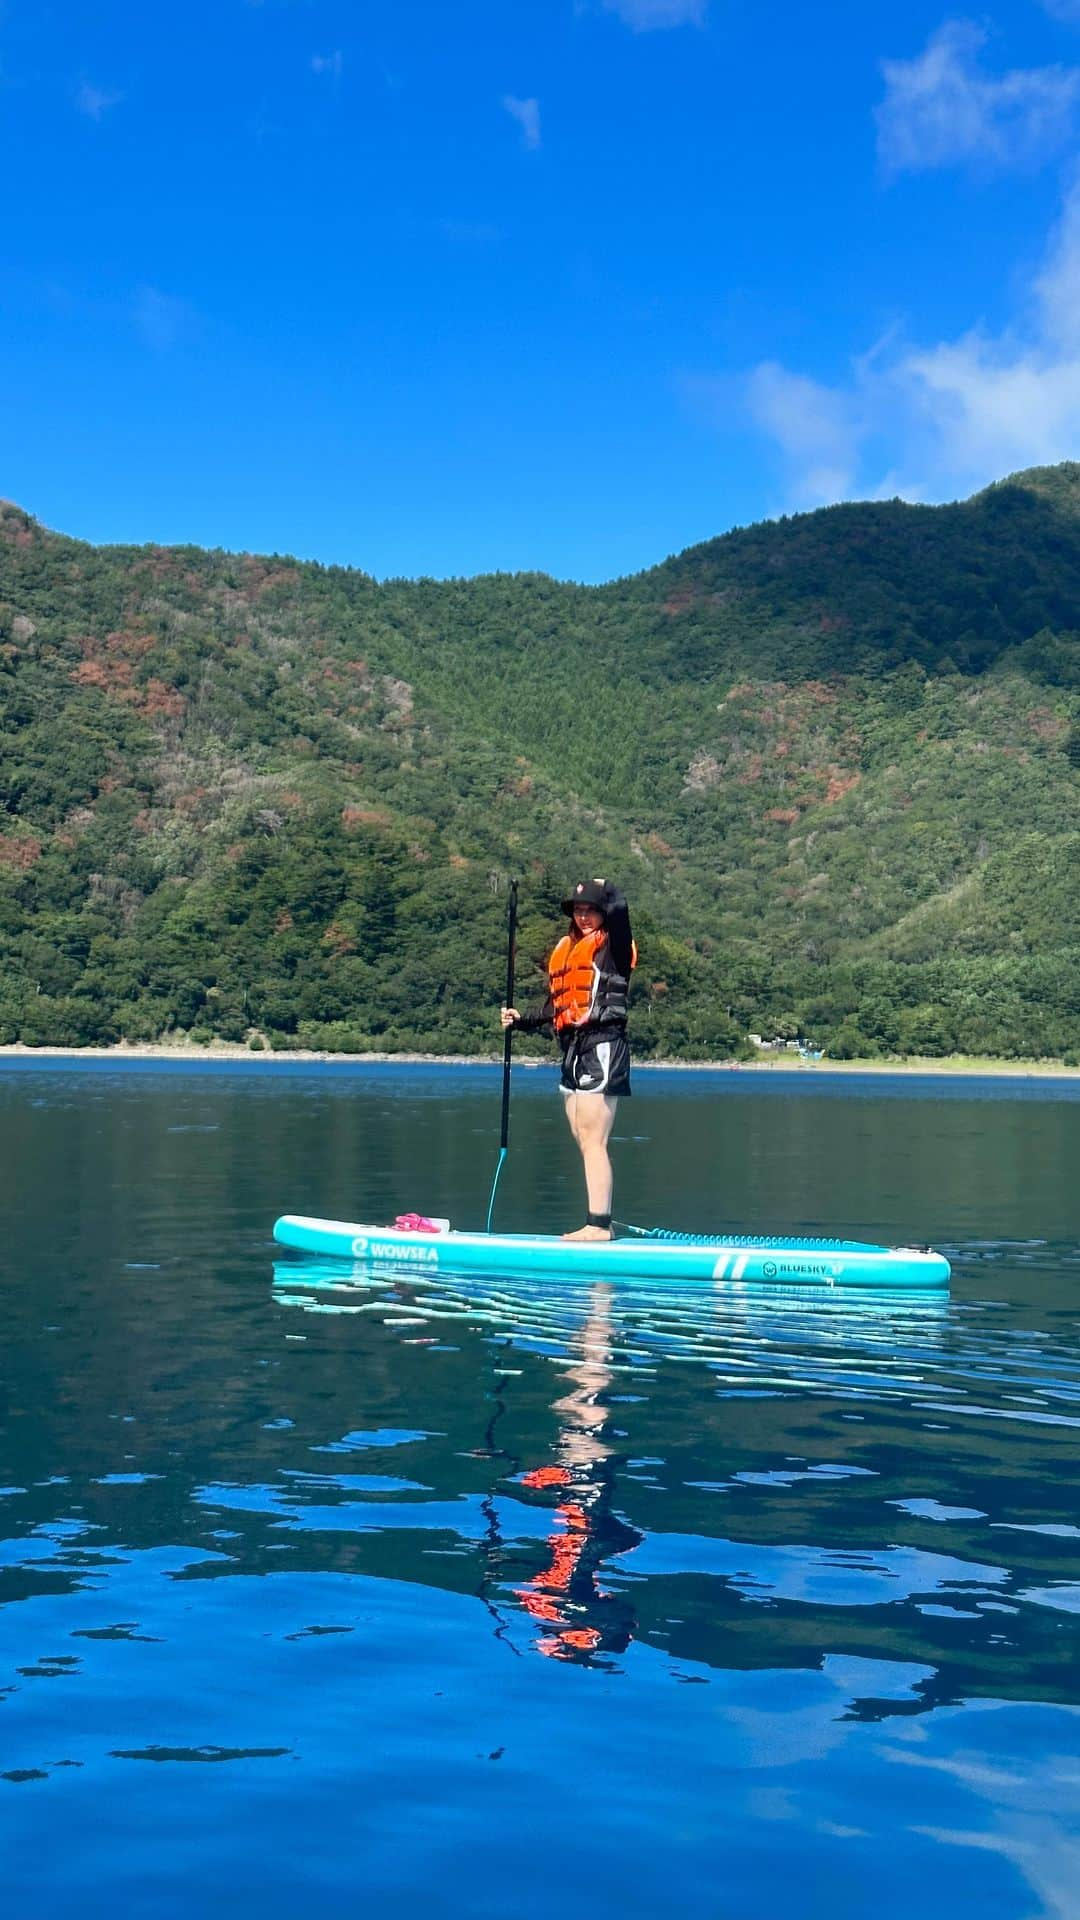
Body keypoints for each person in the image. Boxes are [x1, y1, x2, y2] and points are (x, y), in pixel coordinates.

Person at [501, 878, 635, 1241]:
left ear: (602, 912)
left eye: (591, 910)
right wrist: (522, 1018)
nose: (584, 917)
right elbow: (556, 1005)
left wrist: (610, 889)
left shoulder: (614, 947)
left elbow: (621, 915)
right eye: (578, 911)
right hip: (573, 1049)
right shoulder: (567, 949)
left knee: (594, 1138)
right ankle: (597, 1220)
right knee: (581, 1135)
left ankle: (599, 1226)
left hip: (603, 1043)